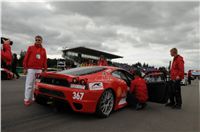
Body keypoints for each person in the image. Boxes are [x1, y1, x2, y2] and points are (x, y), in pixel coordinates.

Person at [23, 35, 47, 106]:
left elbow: (45, 60)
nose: (37, 41)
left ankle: (34, 97)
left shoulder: (43, 50)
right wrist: (25, 68)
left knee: (36, 85)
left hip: (39, 70)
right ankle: (26, 99)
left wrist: (45, 69)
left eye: (39, 40)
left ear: (41, 41)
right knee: (29, 85)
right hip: (31, 69)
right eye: (36, 40)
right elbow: (26, 58)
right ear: (35, 40)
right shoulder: (30, 48)